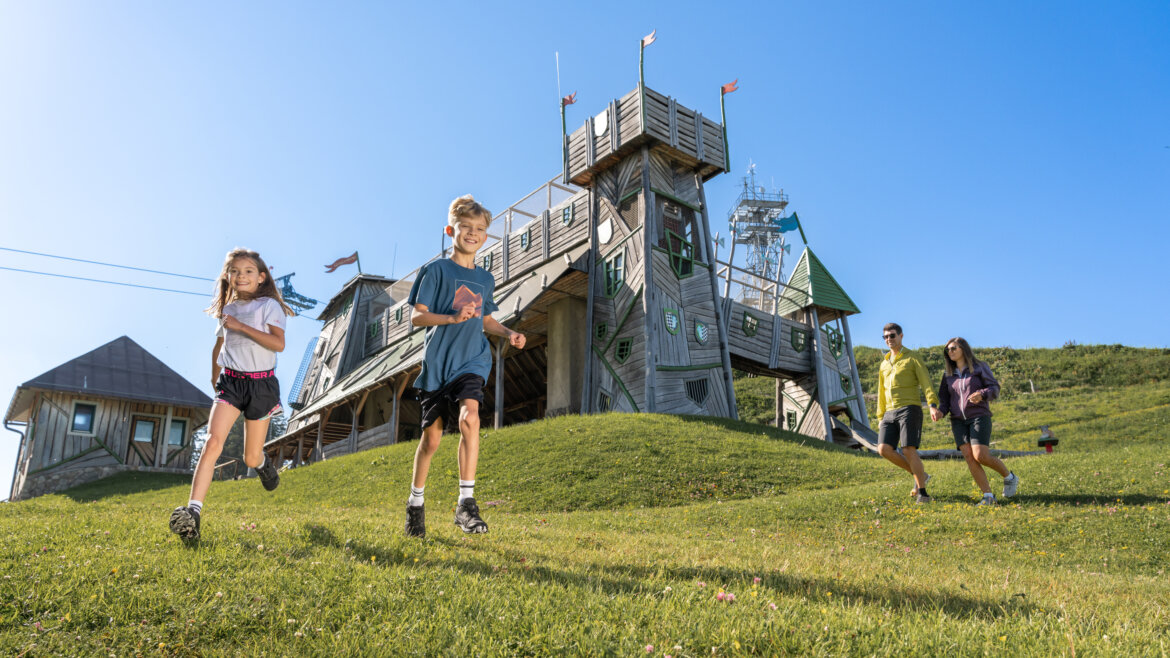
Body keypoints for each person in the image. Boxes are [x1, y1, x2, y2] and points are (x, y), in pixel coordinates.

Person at [404, 195, 526, 538]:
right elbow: (417, 316)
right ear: (450, 231)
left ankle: (466, 505)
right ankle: (415, 504)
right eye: (466, 227)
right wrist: (453, 317)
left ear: (486, 236)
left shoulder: (485, 280)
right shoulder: (436, 271)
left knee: (470, 418)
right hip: (439, 363)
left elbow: (486, 319)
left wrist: (509, 332)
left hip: (473, 359)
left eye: (480, 229)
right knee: (432, 440)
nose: (473, 233)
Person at [169, 248, 294, 542]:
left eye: (248, 271)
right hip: (231, 383)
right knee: (213, 442)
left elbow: (278, 344)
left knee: (250, 457)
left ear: (262, 277)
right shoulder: (228, 309)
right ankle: (194, 514)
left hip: (261, 385)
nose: (241, 276)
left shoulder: (269, 306)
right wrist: (215, 376)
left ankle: (263, 465)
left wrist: (242, 326)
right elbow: (220, 345)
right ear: (228, 276)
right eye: (235, 271)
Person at [938, 337, 1018, 504]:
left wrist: (982, 394)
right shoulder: (948, 375)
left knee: (980, 455)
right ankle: (988, 496)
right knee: (968, 456)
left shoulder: (979, 367)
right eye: (947, 350)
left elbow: (994, 388)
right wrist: (940, 412)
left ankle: (1009, 477)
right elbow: (945, 400)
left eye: (953, 348)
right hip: (958, 421)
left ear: (963, 349)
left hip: (979, 416)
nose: (950, 352)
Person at [875, 323, 940, 503]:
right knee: (883, 449)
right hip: (889, 412)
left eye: (892, 335)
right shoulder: (884, 363)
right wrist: (880, 417)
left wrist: (932, 404)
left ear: (901, 336)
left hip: (909, 408)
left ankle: (923, 492)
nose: (889, 339)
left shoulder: (913, 358)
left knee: (908, 449)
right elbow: (881, 391)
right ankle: (921, 475)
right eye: (886, 337)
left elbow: (925, 381)